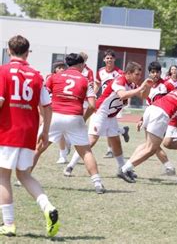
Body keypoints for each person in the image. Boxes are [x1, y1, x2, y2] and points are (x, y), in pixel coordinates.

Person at [0, 35, 60, 237]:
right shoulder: (36, 75)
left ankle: (8, 224)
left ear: (9, 51)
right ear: (27, 52)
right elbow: (47, 106)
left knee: (2, 176)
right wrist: (45, 130)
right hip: (29, 130)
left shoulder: (3, 71)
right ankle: (48, 207)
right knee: (24, 174)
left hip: (7, 130)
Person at [64, 62, 152, 182]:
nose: (139, 77)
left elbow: (143, 96)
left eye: (140, 75)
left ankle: (122, 168)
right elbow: (122, 95)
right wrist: (140, 88)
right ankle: (70, 166)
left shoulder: (131, 84)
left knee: (116, 141)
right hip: (100, 113)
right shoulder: (119, 81)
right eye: (137, 74)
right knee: (91, 141)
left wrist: (148, 87)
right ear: (129, 73)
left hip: (111, 116)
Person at [33, 53, 105, 194]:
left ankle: (22, 178)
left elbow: (41, 99)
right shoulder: (85, 80)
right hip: (74, 117)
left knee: (38, 147)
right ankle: (97, 183)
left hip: (55, 116)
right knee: (85, 152)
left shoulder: (54, 77)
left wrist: (42, 116)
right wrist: (83, 119)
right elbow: (92, 106)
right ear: (80, 65)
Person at [120, 87, 177, 182]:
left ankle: (127, 168)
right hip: (161, 113)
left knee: (147, 145)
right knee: (151, 149)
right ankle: (124, 169)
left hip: (152, 109)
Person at [136, 61, 177, 176]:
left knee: (154, 145)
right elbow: (148, 104)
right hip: (151, 117)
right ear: (149, 73)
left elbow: (176, 102)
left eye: (157, 72)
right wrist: (142, 119)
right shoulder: (148, 86)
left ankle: (128, 167)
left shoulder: (166, 85)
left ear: (161, 73)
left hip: (164, 118)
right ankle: (169, 166)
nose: (155, 74)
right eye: (152, 72)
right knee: (154, 145)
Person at [95, 49, 130, 158]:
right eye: (107, 58)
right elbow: (97, 84)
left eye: (111, 58)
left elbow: (125, 87)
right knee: (108, 124)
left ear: (114, 59)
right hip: (104, 101)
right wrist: (94, 95)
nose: (109, 60)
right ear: (104, 59)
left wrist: (125, 100)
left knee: (109, 123)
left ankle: (110, 149)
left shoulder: (119, 73)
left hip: (115, 101)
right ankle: (123, 131)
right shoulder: (100, 71)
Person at [46, 62, 71, 164]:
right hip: (51, 107)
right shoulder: (50, 77)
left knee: (61, 133)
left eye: (63, 68)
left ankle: (63, 154)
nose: (61, 69)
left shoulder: (69, 79)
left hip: (64, 108)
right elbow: (46, 90)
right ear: (55, 69)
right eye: (59, 68)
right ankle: (63, 153)